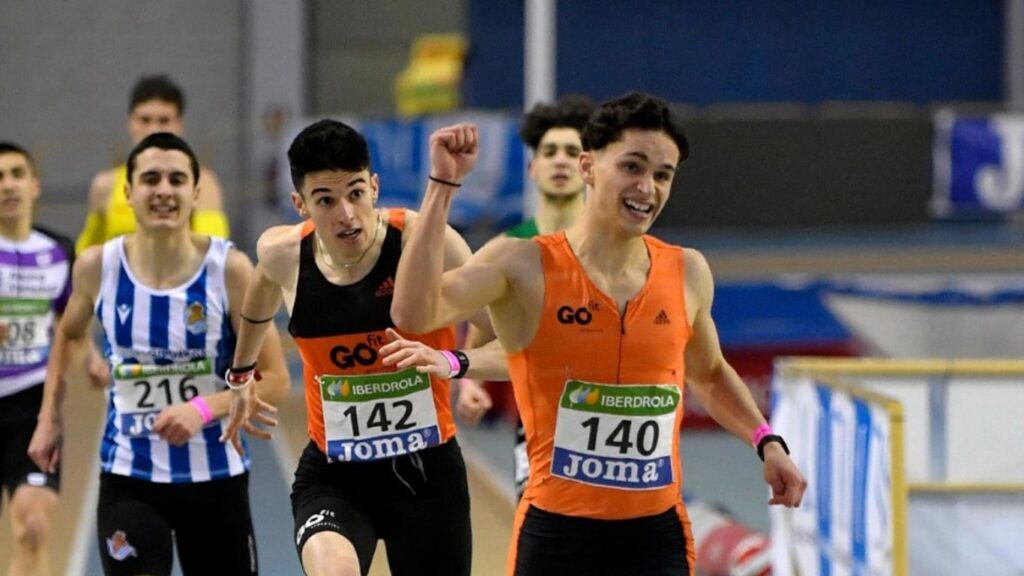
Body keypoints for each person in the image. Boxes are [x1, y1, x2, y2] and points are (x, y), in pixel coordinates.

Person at [390, 93, 808, 575]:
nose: (647, 187)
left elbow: (710, 374)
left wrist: (767, 441)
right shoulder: (522, 264)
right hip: (556, 536)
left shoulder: (687, 272)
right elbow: (414, 313)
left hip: (657, 538)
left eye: (663, 175)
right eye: (632, 166)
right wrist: (442, 187)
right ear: (588, 167)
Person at [220, 119, 502, 576]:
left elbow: (510, 337)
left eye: (355, 193)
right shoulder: (283, 255)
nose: (346, 214)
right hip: (335, 474)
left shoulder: (423, 241)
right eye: (325, 201)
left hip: (428, 475)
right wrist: (240, 375)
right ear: (300, 205)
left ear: (374, 186)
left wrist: (457, 364)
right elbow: (256, 309)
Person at [28, 132, 288, 575]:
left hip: (215, 477)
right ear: (129, 193)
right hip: (130, 475)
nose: (164, 190)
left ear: (195, 193)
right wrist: (48, 417)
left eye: (176, 179)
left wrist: (203, 408)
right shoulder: (97, 267)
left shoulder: (230, 270)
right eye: (150, 179)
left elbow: (276, 378)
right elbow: (67, 334)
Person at [456, 94, 594, 500]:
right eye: (550, 152)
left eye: (572, 152)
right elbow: (485, 317)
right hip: (538, 423)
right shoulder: (508, 249)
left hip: (610, 414)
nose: (561, 161)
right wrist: (471, 381)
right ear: (533, 169)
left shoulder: (613, 247)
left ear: (589, 166)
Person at [0, 142, 78, 576]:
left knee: (33, 527)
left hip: (31, 407)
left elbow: (71, 325)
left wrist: (90, 360)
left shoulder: (58, 251)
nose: (8, 185)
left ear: (34, 185)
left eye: (16, 174)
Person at [76, 74, 229, 254]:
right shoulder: (105, 185)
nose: (153, 130)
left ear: (179, 124)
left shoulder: (202, 183)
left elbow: (214, 252)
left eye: (164, 121)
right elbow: (85, 251)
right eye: (145, 120)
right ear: (130, 122)